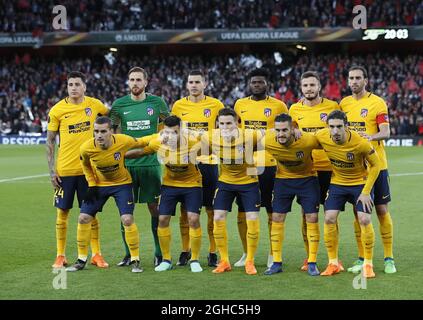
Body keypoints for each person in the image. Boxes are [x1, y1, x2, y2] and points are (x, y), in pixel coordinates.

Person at [66, 116, 148, 273]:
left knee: (127, 219)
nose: (99, 135)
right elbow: (85, 166)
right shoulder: (86, 148)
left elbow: (142, 141)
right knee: (83, 218)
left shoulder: (123, 140)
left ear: (111, 131)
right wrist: (91, 184)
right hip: (99, 185)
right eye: (96, 131)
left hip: (122, 185)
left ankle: (135, 259)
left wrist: (161, 137)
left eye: (103, 131)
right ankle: (81, 259)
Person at [47, 71, 109, 269]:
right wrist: (51, 171)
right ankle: (60, 255)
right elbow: (49, 141)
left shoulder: (95, 105)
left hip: (89, 171)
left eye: (77, 84)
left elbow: (111, 119)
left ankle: (96, 254)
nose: (73, 88)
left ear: (84, 86)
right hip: (64, 170)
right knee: (62, 212)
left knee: (91, 213)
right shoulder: (57, 110)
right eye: (70, 84)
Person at [126, 115, 204, 273]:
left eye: (174, 133)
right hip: (170, 185)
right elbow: (140, 146)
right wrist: (119, 154)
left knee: (193, 219)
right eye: (167, 133)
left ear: (181, 130)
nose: (170, 137)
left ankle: (194, 259)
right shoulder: (158, 141)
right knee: (162, 218)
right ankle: (166, 260)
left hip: (192, 184)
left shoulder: (194, 141)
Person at [110, 67, 170, 267]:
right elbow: (112, 132)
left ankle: (159, 253)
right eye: (131, 80)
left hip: (151, 165)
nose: (134, 83)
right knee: (125, 210)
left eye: (138, 80)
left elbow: (168, 126)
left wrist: (162, 143)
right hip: (126, 166)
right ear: (128, 82)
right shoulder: (119, 105)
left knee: (155, 209)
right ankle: (129, 254)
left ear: (146, 82)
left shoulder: (157, 103)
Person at [340, 65, 396, 274]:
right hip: (355, 168)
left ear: (366, 80)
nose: (354, 81)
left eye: (358, 78)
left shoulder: (377, 102)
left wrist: (370, 138)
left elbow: (386, 131)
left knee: (381, 211)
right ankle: (362, 257)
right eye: (351, 78)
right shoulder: (343, 103)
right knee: (358, 214)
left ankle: (389, 257)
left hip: (377, 165)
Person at [233, 68, 288, 268]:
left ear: (267, 84)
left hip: (271, 165)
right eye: (253, 82)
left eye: (260, 82)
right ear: (249, 84)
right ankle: (247, 253)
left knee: (272, 212)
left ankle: (274, 254)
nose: (257, 85)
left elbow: (287, 132)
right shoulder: (240, 104)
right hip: (246, 166)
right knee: (243, 212)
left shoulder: (279, 105)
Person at [315, 110, 381, 278]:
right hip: (337, 183)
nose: (335, 131)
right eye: (332, 127)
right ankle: (333, 263)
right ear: (327, 127)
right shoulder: (322, 136)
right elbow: (305, 141)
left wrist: (366, 192)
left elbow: (376, 165)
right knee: (329, 217)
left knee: (364, 219)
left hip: (360, 183)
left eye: (339, 127)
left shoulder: (360, 143)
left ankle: (368, 264)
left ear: (346, 126)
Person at [171, 69, 224, 267]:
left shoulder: (216, 105)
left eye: (197, 82)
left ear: (205, 84)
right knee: (186, 211)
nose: (194, 85)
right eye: (190, 82)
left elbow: (224, 130)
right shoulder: (178, 106)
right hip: (187, 163)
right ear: (186, 85)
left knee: (211, 210)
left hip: (209, 163)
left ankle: (212, 252)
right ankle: (186, 251)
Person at [289, 71, 340, 272]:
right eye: (305, 85)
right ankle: (309, 256)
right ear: (301, 88)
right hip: (306, 170)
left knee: (331, 215)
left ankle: (333, 259)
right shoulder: (294, 109)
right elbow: (291, 137)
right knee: (306, 214)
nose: (309, 88)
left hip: (329, 168)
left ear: (319, 86)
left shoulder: (332, 107)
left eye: (312, 85)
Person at [202, 108, 261, 275]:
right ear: (217, 124)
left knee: (252, 218)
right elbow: (188, 138)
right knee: (218, 216)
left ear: (237, 123)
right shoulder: (209, 136)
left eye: (229, 123)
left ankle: (250, 260)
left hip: (249, 182)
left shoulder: (250, 135)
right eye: (222, 123)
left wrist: (294, 130)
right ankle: (224, 261)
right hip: (226, 182)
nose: (225, 127)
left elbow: (270, 134)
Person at [261, 113, 321, 276]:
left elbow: (329, 142)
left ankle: (312, 262)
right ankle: (276, 262)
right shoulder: (266, 140)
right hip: (283, 181)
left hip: (308, 179)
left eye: (285, 130)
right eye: (278, 130)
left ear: (293, 129)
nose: (281, 134)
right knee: (277, 218)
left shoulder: (308, 140)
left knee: (312, 218)